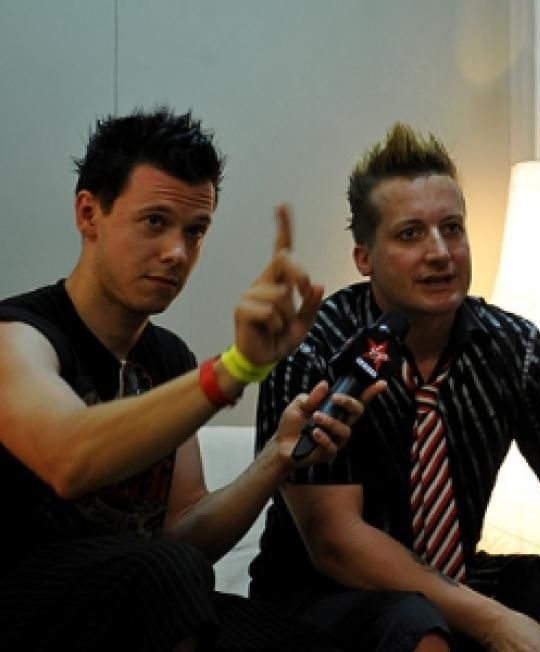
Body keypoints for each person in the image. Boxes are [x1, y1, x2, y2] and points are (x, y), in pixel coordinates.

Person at [250, 122, 540, 652]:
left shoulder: (514, 347)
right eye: (410, 234)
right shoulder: (318, 352)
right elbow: (335, 543)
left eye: (452, 229)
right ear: (364, 258)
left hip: (456, 576)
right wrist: (493, 621)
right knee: (422, 632)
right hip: (318, 595)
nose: (440, 252)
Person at [0, 107, 379, 651]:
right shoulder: (19, 335)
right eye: (154, 222)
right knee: (167, 570)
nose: (177, 253)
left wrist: (276, 458)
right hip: (22, 603)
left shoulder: (167, 357)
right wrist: (233, 369)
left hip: (137, 601)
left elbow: (186, 534)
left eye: (195, 231)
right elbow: (68, 458)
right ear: (89, 213)